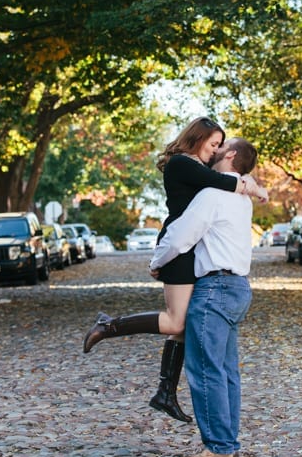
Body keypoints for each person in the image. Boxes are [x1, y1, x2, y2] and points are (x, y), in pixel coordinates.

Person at [83, 117, 267, 423]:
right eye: (213, 144)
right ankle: (109, 326)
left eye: (220, 146)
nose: (216, 150)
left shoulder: (202, 168)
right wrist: (253, 187)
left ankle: (165, 391)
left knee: (186, 324)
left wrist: (251, 183)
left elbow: (231, 174)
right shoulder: (182, 164)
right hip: (179, 246)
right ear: (198, 138)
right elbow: (225, 182)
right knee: (175, 322)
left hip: (192, 249)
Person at [149, 137, 257, 457]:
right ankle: (227, 442)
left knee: (206, 370)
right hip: (238, 287)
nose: (214, 152)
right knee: (225, 373)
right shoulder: (241, 199)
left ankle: (218, 448)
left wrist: (156, 261)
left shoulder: (211, 195)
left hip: (214, 290)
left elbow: (181, 236)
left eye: (221, 148)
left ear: (231, 156)